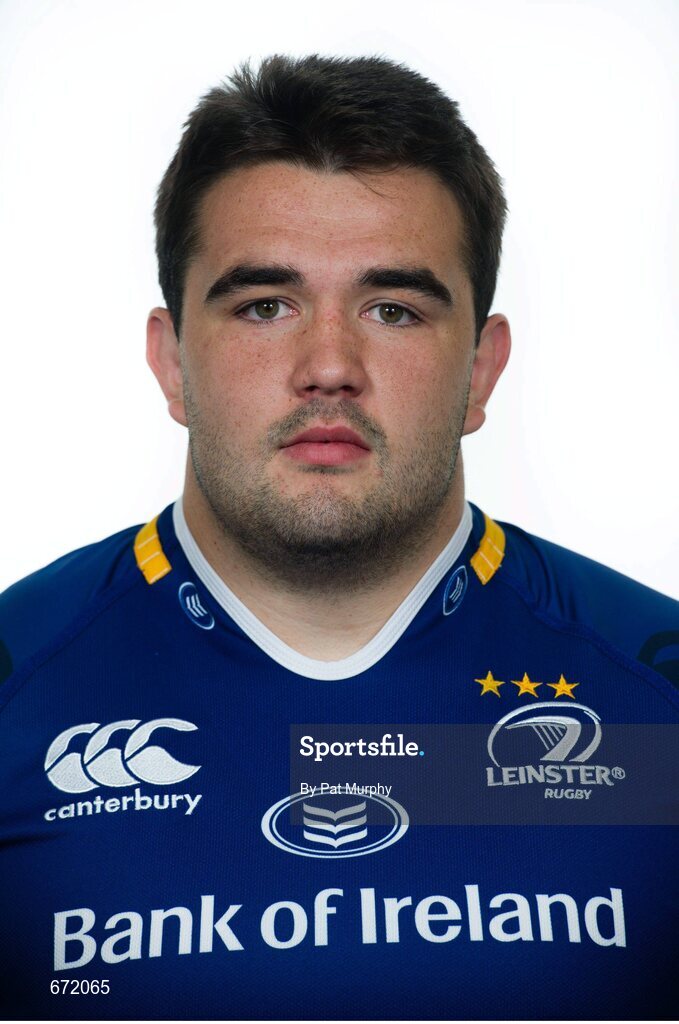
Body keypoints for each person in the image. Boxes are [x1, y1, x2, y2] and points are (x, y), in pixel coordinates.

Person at [0, 54, 676, 1021]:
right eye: (264, 305)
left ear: (481, 371)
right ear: (172, 363)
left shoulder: (659, 698)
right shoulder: (13, 692)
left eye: (392, 309)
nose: (328, 365)